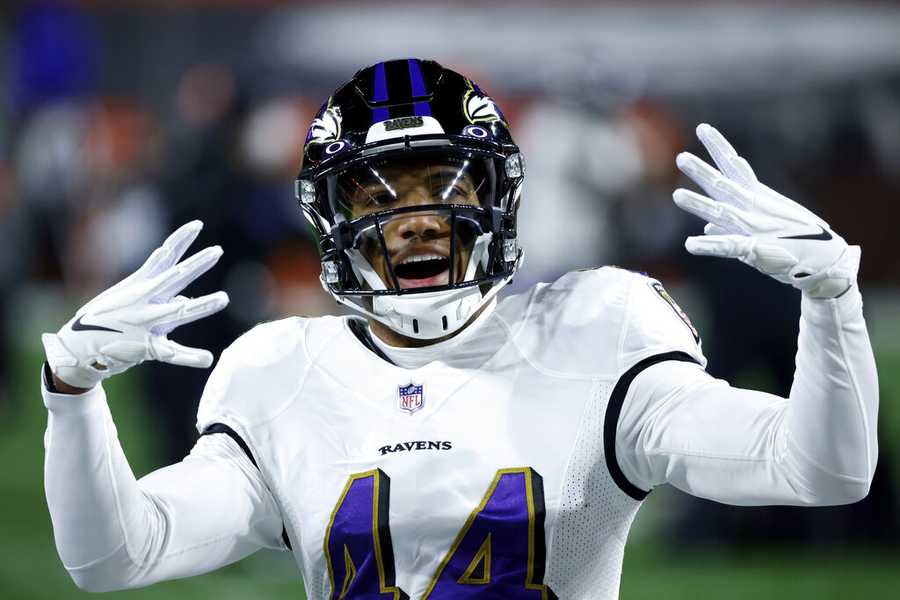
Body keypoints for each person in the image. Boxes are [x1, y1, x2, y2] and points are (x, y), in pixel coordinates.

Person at [41, 59, 877, 600]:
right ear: (326, 217)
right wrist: (72, 394)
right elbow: (116, 555)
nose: (417, 218)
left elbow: (822, 471)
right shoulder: (282, 375)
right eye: (378, 193)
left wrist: (832, 302)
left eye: (445, 182)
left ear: (498, 200)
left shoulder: (598, 336)